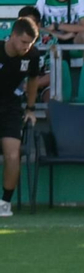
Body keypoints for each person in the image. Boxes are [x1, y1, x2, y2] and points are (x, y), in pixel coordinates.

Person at [0, 15, 43, 215]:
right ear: (13, 36)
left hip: (11, 108)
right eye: (24, 42)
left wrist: (31, 108)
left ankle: (5, 204)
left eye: (31, 43)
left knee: (12, 154)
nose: (27, 47)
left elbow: (33, 80)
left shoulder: (32, 56)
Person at [34, 0, 84, 85]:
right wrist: (58, 34)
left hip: (72, 37)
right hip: (51, 38)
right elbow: (34, 26)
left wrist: (58, 26)